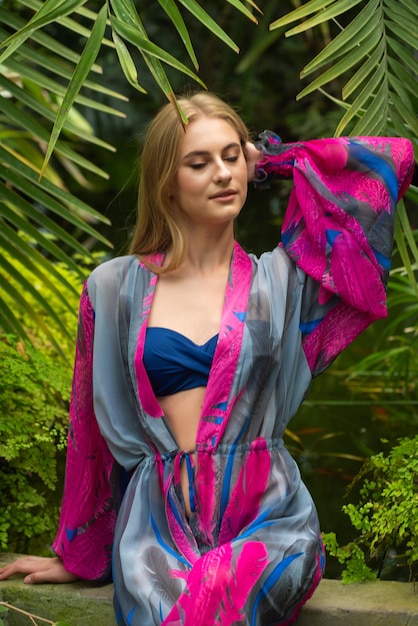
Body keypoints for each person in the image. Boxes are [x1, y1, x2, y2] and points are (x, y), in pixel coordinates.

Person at [0, 92, 414, 625]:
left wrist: (273, 156)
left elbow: (388, 162)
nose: (223, 173)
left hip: (269, 523)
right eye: (199, 163)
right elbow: (90, 438)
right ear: (166, 181)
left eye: (230, 156)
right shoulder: (113, 290)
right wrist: (80, 553)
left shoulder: (284, 283)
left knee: (220, 587)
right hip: (156, 531)